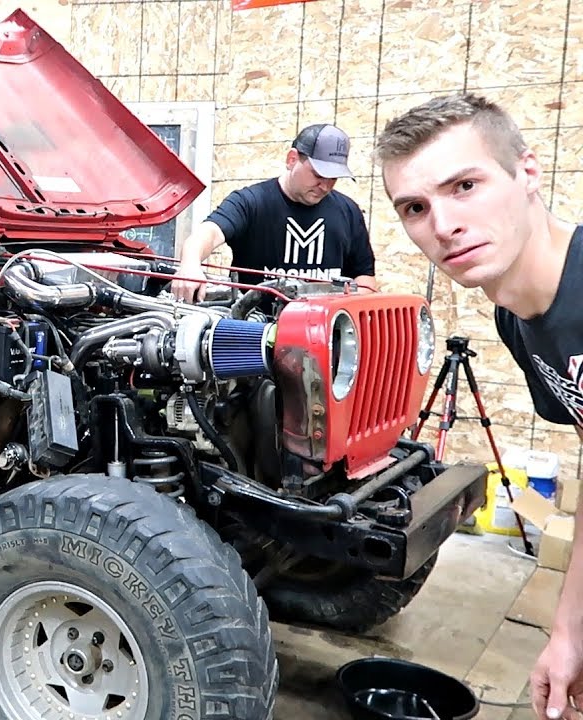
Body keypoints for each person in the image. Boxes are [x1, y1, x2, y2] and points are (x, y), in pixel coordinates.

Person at [374, 92, 583, 720]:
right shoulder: (517, 319)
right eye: (415, 207)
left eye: (465, 185)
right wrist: (569, 631)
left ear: (528, 172)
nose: (441, 225)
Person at [170, 123, 377, 302]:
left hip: (324, 336)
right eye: (318, 174)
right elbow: (209, 233)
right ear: (292, 159)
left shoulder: (348, 212)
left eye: (333, 178)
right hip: (254, 333)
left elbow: (364, 277)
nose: (325, 186)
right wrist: (190, 264)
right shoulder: (251, 202)